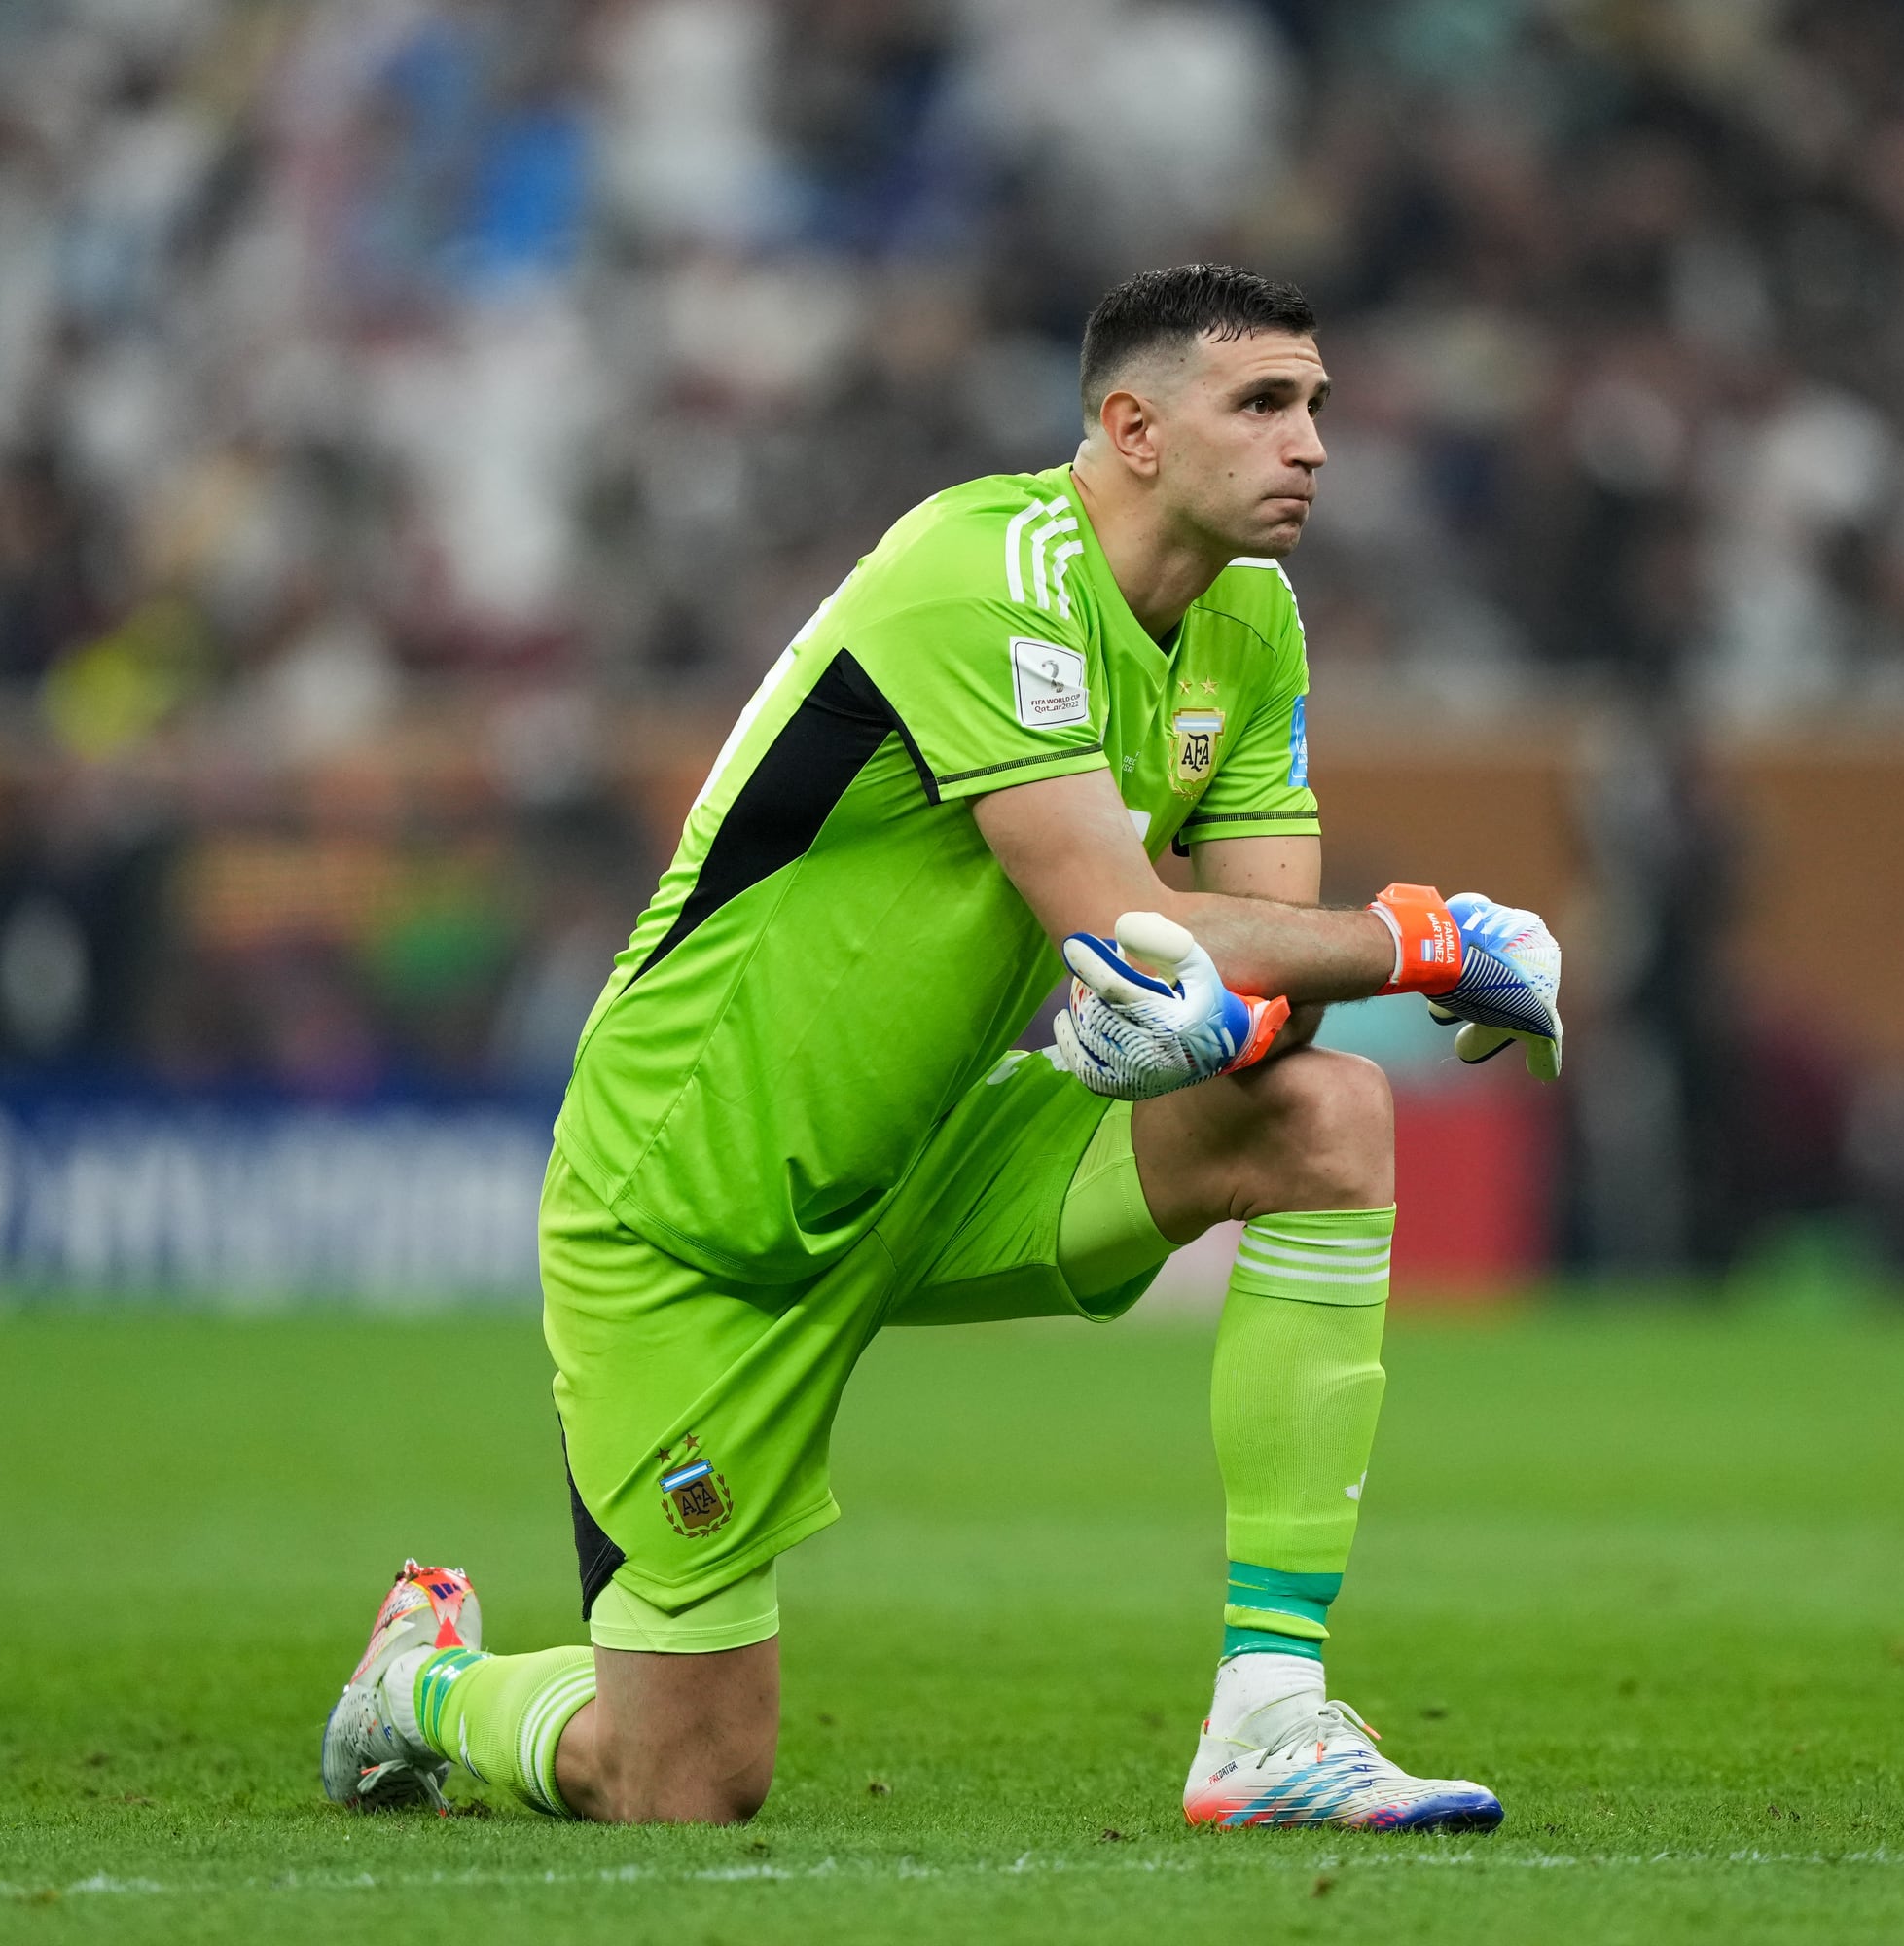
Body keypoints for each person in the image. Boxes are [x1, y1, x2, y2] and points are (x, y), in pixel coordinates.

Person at [316, 265, 1563, 1831]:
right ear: (1133, 427)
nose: (1310, 442)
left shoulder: (1252, 625)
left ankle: (1272, 1716)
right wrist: (1430, 938)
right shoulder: (976, 572)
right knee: (685, 1781)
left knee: (1320, 1113)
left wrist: (1199, 1018)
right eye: (1262, 404)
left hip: (936, 1152)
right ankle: (424, 1687)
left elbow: (1261, 980)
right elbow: (1127, 914)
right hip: (696, 1204)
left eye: (1317, 404)